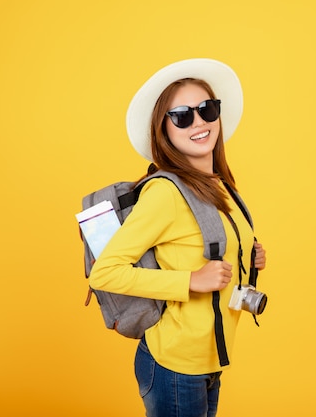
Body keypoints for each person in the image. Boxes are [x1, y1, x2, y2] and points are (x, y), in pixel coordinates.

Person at [89, 58, 267, 417]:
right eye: (182, 115)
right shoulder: (166, 193)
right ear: (163, 130)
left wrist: (248, 255)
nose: (199, 122)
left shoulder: (220, 185)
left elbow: (201, 246)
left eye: (207, 109)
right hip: (174, 365)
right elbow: (104, 272)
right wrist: (192, 281)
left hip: (209, 359)